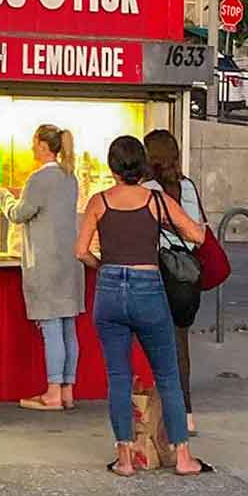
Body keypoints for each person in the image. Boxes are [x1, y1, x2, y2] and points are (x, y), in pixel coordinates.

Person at [75, 136, 213, 477]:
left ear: (112, 167)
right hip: (148, 288)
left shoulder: (99, 202)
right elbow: (197, 235)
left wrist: (103, 267)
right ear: (143, 165)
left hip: (109, 289)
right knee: (167, 374)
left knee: (118, 376)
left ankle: (124, 460)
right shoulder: (155, 200)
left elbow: (80, 251)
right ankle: (183, 457)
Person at [0, 124, 84, 411]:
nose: (31, 148)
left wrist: (3, 197)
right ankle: (68, 389)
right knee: (69, 324)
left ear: (44, 146)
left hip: (46, 263)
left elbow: (19, 214)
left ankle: (53, 392)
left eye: (34, 143)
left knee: (51, 325)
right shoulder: (70, 178)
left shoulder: (39, 179)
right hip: (70, 262)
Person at [143, 129, 205, 436]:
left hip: (159, 271)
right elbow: (200, 231)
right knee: (180, 344)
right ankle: (187, 413)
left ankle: (162, 415)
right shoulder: (188, 186)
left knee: (158, 344)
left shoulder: (148, 189)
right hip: (187, 273)